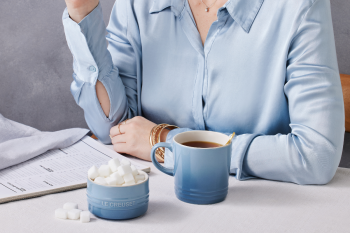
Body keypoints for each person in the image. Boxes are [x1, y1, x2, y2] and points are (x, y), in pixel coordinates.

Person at [62, 0, 344, 185]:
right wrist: (82, 12)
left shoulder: (298, 7)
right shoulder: (137, 4)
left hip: (260, 210)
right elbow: (113, 129)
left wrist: (167, 144)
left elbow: (316, 155)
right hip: (158, 210)